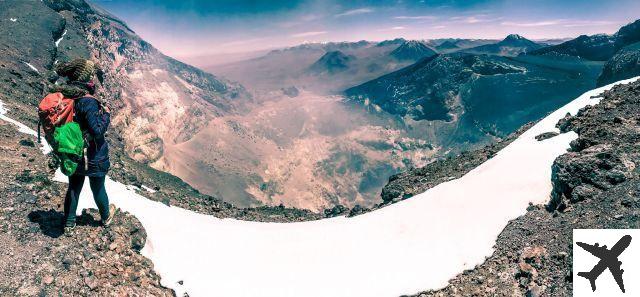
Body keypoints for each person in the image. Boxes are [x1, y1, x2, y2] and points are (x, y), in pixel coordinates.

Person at [53, 59, 116, 234]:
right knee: (97, 187)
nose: (93, 79)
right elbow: (97, 131)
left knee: (74, 186)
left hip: (72, 151)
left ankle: (69, 222)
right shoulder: (88, 101)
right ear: (85, 77)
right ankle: (106, 217)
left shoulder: (66, 95)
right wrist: (107, 115)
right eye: (90, 75)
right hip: (92, 154)